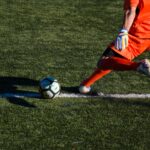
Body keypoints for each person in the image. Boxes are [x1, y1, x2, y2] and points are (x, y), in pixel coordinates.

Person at [79, 0, 150, 94]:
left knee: (104, 61)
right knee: (113, 60)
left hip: (137, 35)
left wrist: (124, 31)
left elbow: (130, 11)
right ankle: (85, 85)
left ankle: (138, 66)